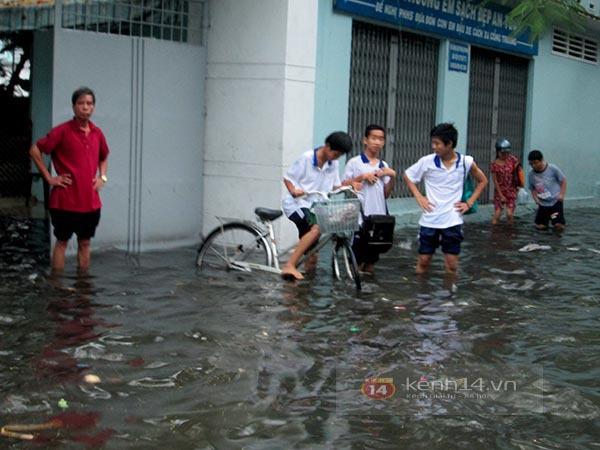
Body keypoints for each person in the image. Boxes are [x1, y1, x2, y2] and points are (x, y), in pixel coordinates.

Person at [30, 87, 110, 273]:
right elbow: (35, 150)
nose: (85, 107)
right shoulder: (62, 131)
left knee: (85, 243)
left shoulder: (97, 133)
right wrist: (50, 177)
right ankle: (57, 286)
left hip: (90, 202)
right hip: (64, 201)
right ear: (74, 107)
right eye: (81, 103)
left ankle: (83, 287)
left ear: (93, 107)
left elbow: (104, 156)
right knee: (62, 243)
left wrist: (102, 177)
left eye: (89, 104)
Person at [403, 123, 488, 274]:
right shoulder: (427, 162)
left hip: (452, 220)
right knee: (423, 261)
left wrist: (469, 203)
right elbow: (408, 176)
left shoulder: (465, 162)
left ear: (449, 144)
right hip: (430, 220)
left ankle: (449, 296)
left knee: (452, 265)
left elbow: (483, 181)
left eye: (437, 143)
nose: (434, 147)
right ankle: (422, 295)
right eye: (433, 143)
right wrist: (419, 197)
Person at [280, 131, 353, 280]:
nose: (336, 158)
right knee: (316, 229)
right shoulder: (307, 158)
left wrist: (354, 183)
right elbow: (288, 178)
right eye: (335, 154)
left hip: (316, 207)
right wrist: (294, 191)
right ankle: (289, 265)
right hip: (297, 204)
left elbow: (335, 186)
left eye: (339, 156)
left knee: (313, 254)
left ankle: (306, 284)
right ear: (327, 146)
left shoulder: (333, 163)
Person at [342, 124, 396, 274]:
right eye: (374, 138)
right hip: (360, 218)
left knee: (371, 264)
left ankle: (368, 295)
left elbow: (386, 194)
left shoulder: (383, 165)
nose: (377, 142)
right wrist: (362, 177)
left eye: (381, 139)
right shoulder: (355, 163)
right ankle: (353, 293)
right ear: (365, 140)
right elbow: (342, 185)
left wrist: (392, 176)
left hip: (378, 219)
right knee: (356, 263)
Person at [527, 149, 567, 231]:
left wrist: (561, 194)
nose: (533, 166)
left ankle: (556, 242)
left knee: (557, 224)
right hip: (543, 204)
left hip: (554, 202)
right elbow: (532, 188)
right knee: (541, 226)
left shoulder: (552, 169)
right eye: (531, 164)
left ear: (541, 160)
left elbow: (563, 181)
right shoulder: (531, 174)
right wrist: (535, 198)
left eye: (535, 163)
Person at [490, 138, 521, 225]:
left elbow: (518, 172)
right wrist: (500, 195)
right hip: (501, 191)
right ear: (498, 152)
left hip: (511, 190)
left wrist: (519, 185)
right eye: (503, 153)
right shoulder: (494, 165)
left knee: (509, 214)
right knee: (497, 214)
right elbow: (495, 181)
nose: (505, 155)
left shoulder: (512, 160)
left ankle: (509, 232)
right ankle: (494, 233)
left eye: (507, 153)